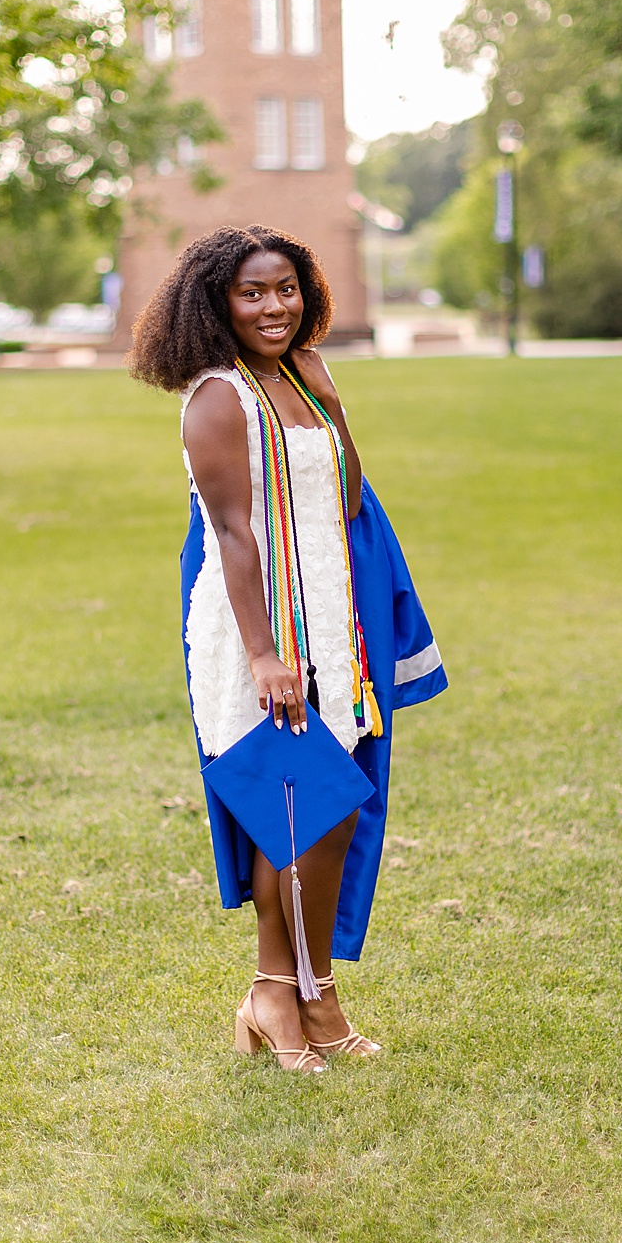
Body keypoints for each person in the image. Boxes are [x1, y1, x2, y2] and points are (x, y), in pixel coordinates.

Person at [129, 225, 447, 1074]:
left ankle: (302, 992)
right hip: (256, 627)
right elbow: (234, 533)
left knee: (331, 809)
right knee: (292, 813)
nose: (274, 306)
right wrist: (267, 655)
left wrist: (331, 399)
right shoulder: (218, 396)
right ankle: (284, 993)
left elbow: (345, 491)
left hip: (333, 615)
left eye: (286, 289)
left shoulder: (303, 375)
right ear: (215, 304)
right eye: (252, 293)